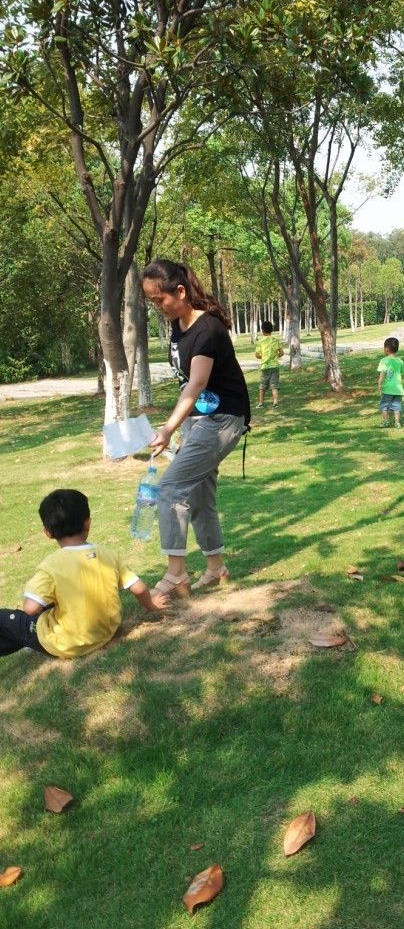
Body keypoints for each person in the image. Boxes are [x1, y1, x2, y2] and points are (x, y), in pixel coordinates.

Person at [142, 259, 251, 597]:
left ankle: (176, 574)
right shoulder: (179, 324)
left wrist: (169, 428)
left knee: (171, 489)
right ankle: (217, 569)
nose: (158, 307)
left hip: (223, 419)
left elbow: (197, 384)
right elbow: (185, 380)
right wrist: (181, 423)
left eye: (160, 299)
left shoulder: (208, 329)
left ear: (180, 291)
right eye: (151, 302)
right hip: (199, 421)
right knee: (199, 496)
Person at [0, 489, 168, 658]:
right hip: (105, 633)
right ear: (87, 523)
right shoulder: (108, 554)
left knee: (9, 620)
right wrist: (151, 604)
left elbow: (30, 608)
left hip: (68, 644)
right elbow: (137, 587)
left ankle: (33, 643)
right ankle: (29, 642)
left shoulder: (51, 565)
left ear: (48, 533)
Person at [377, 337, 404, 428]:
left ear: (386, 349)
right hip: (398, 390)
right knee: (397, 406)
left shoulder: (384, 361)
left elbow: (382, 375)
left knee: (384, 405)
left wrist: (379, 385)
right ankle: (397, 422)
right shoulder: (399, 361)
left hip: (387, 389)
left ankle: (385, 421)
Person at [255, 320, 284, 409]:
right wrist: (275, 356)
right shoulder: (276, 340)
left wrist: (263, 357)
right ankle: (275, 402)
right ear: (272, 330)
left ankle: (261, 403)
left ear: (262, 330)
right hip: (275, 366)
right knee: (274, 385)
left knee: (262, 386)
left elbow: (257, 355)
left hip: (265, 367)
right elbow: (282, 353)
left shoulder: (260, 342)